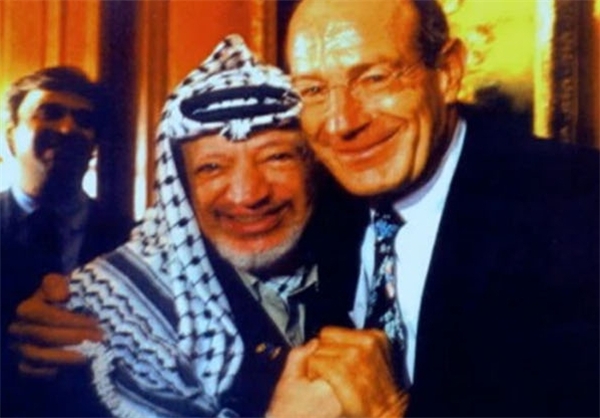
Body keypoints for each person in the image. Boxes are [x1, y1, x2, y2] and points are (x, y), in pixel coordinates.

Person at [8, 35, 361, 417]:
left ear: (313, 166)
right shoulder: (103, 312)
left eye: (276, 157)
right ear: (182, 188)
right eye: (212, 167)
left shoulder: (361, 265)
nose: (248, 194)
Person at [281, 0, 599, 416]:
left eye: (374, 78)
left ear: (448, 71)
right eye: (313, 90)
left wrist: (387, 411)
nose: (341, 123)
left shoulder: (578, 207)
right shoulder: (318, 208)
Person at [1, 66, 131, 416]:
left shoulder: (132, 242)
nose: (67, 128)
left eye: (83, 120)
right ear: (11, 135)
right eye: (50, 113)